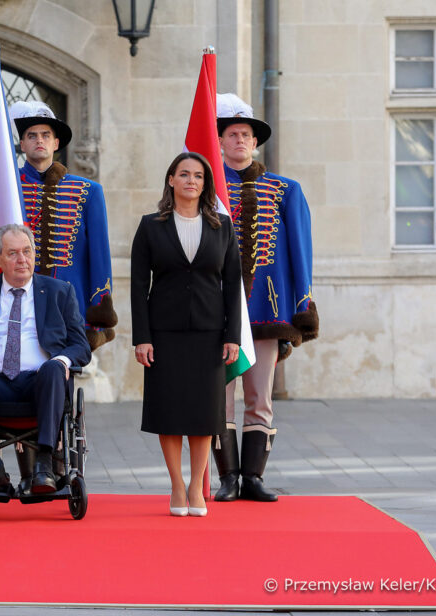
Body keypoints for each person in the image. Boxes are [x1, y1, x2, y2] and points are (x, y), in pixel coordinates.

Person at [213, 94, 319, 502]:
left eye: (246, 134)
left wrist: (301, 306)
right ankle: (226, 478)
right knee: (219, 399)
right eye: (232, 134)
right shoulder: (207, 189)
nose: (240, 140)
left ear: (255, 142)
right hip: (218, 312)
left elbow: (300, 252)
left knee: (260, 397)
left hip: (266, 310)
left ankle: (253, 478)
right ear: (220, 142)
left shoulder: (284, 190)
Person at [131, 152, 242, 517]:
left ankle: (197, 485)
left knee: (203, 411)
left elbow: (232, 285)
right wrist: (142, 337)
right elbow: (137, 285)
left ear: (205, 183)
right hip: (164, 332)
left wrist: (233, 335)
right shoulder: (150, 226)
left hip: (210, 333)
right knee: (169, 409)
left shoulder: (222, 227)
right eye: (184, 174)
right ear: (171, 180)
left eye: (197, 175)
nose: (191, 181)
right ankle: (176, 485)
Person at [0, 224, 91, 495]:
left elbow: (80, 346)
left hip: (41, 382)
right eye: (13, 253)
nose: (22, 260)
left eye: (27, 252)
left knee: (53, 368)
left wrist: (61, 360)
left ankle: (43, 463)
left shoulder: (59, 292)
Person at [9, 100, 117, 351]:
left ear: (56, 143)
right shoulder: (8, 188)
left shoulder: (88, 191)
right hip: (18, 299)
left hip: (71, 302)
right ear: (22, 144)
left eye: (46, 135)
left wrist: (99, 309)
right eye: (32, 135)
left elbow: (99, 254)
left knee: (62, 380)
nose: (39, 140)